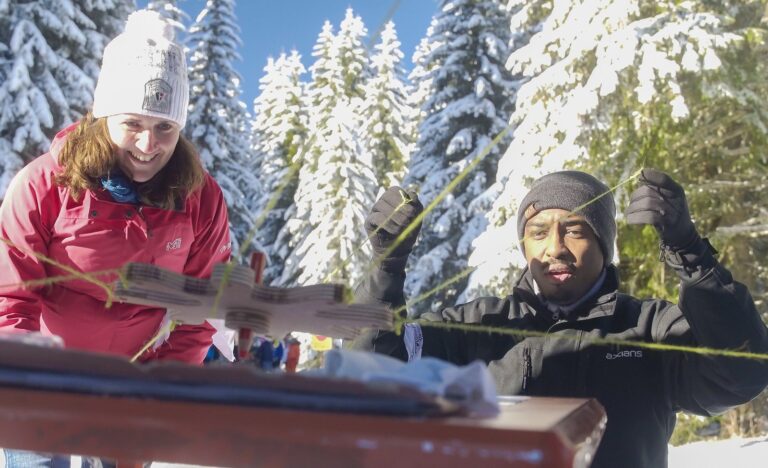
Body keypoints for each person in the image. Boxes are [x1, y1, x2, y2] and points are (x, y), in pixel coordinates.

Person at [352, 169, 768, 468]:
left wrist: (692, 255)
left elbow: (741, 374)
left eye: (575, 230)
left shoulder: (648, 327)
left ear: (604, 245)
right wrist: (387, 266)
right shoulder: (474, 328)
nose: (555, 248)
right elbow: (372, 377)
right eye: (538, 232)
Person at [0, 12, 231, 369]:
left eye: (165, 126)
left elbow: (200, 310)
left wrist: (163, 385)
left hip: (141, 379)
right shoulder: (43, 184)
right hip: (49, 370)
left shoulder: (202, 200)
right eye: (132, 123)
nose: (148, 142)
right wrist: (29, 376)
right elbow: (11, 297)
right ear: (104, 118)